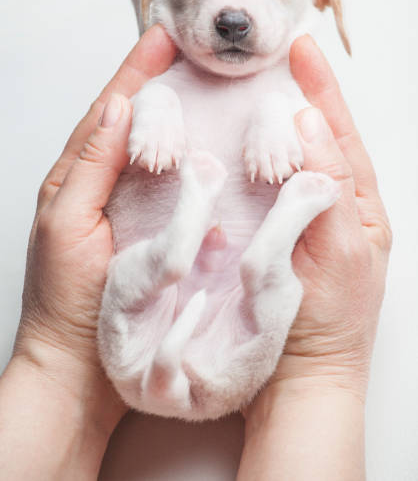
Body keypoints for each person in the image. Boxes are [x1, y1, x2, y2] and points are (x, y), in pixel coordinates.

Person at [0, 26, 391, 480]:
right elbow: (158, 98)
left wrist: (58, 355)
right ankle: (262, 245)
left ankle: (176, 244)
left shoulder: (276, 92)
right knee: (268, 299)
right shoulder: (175, 87)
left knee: (132, 278)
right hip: (221, 362)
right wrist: (323, 371)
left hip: (140, 356)